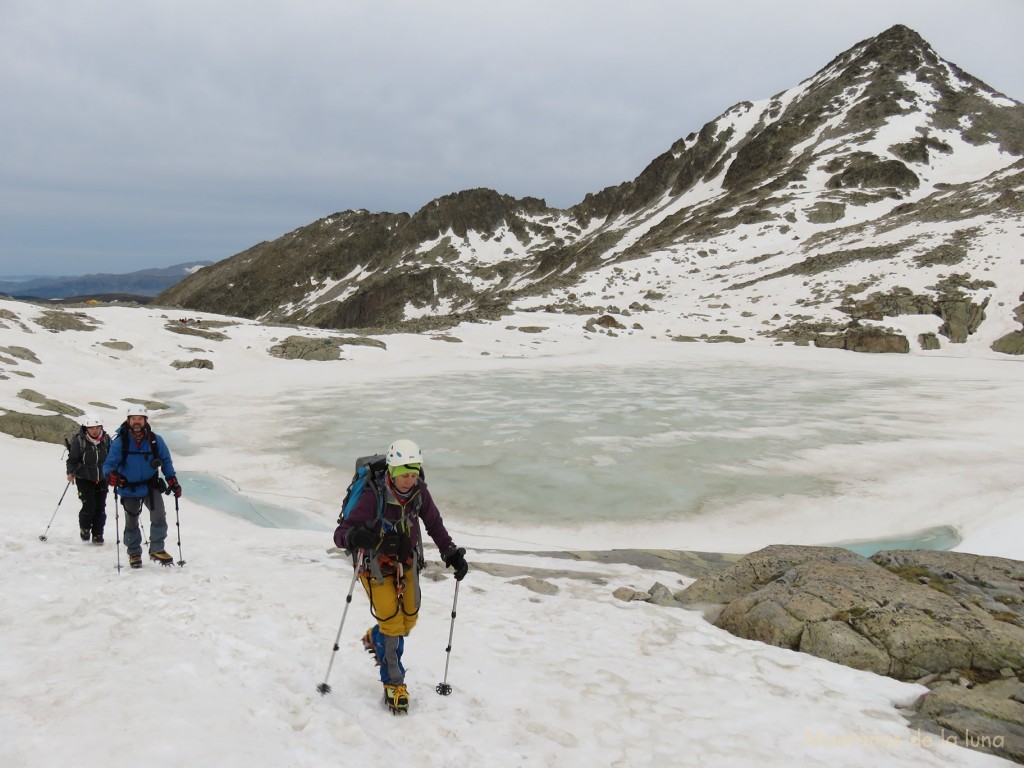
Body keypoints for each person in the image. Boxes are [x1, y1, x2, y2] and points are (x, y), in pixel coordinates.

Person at [334, 439, 468, 713]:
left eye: (414, 472)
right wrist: (355, 535)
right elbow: (340, 535)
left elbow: (434, 524)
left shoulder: (419, 493)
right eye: (405, 473)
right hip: (374, 567)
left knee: (408, 618)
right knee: (393, 624)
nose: (410, 479)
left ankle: (375, 637)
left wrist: (450, 552)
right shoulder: (374, 496)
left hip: (406, 562)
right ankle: (394, 683)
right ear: (393, 472)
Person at [101, 404, 183, 569]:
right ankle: (134, 553)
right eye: (133, 419)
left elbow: (166, 461)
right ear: (128, 421)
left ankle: (157, 549)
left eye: (140, 419)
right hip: (128, 487)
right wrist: (110, 475)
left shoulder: (155, 440)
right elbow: (109, 464)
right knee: (131, 522)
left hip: (150, 486)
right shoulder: (120, 442)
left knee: (159, 516)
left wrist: (172, 480)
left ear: (145, 420)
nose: (136, 422)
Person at [66, 413, 111, 544]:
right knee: (89, 506)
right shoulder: (79, 441)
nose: (95, 430)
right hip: (84, 478)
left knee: (100, 508)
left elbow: (112, 457)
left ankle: (98, 534)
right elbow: (72, 460)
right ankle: (85, 528)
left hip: (102, 479)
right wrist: (70, 472)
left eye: (97, 427)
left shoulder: (106, 439)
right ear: (86, 428)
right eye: (91, 428)